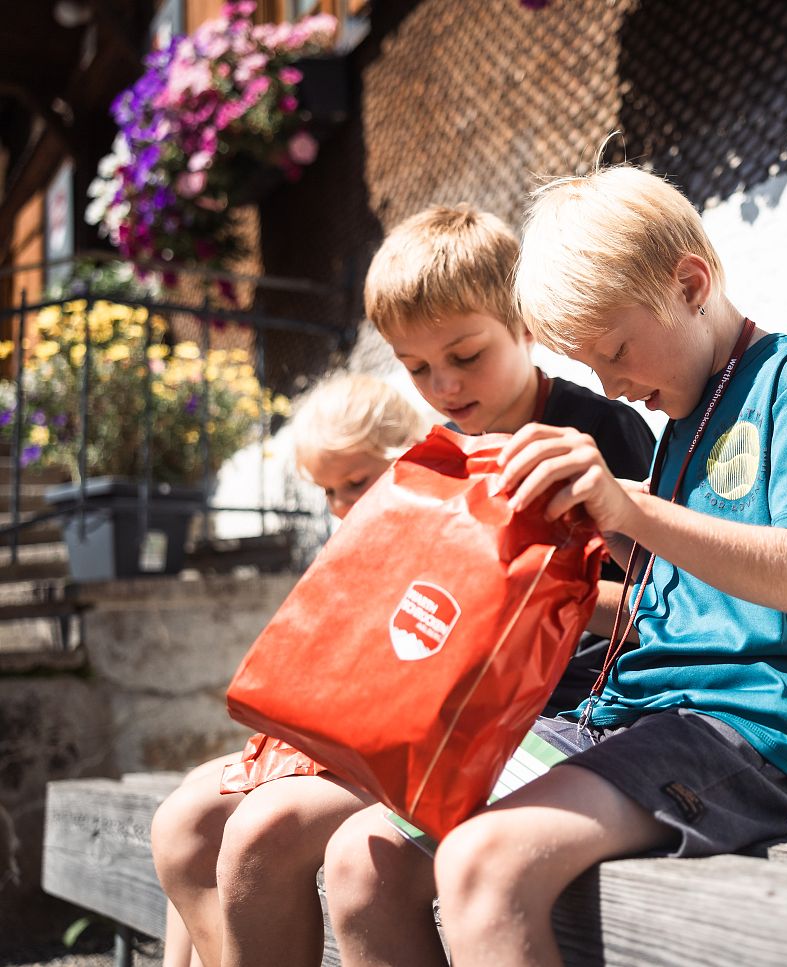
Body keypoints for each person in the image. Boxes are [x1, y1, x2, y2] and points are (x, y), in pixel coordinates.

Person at [320, 166, 787, 967]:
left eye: (615, 350)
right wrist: (592, 527)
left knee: (483, 866)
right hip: (629, 719)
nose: (612, 384)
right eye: (590, 364)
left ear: (691, 283)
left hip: (747, 733)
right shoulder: (688, 409)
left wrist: (628, 506)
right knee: (362, 860)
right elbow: (677, 569)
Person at [153, 206, 654, 967]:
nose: (445, 385)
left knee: (268, 832)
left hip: (544, 727)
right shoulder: (435, 456)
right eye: (417, 368)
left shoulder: (598, 438)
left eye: (465, 354)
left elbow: (665, 616)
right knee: (199, 825)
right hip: (420, 718)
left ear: (525, 324)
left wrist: (546, 601)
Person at [154, 372, 429, 967]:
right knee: (183, 813)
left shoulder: (433, 535)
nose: (341, 505)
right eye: (326, 492)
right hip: (347, 739)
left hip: (391, 749)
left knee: (223, 823)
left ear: (408, 453)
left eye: (356, 482)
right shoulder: (361, 539)